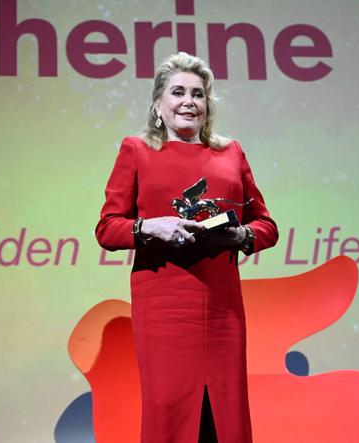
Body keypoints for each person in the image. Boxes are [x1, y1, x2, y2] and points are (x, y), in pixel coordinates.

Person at [95, 52, 278, 443]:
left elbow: (266, 226)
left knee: (224, 417)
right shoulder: (137, 150)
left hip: (222, 309)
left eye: (198, 94)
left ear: (207, 106)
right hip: (165, 309)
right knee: (171, 414)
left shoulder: (231, 152)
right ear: (159, 104)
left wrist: (240, 237)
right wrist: (151, 227)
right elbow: (107, 229)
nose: (189, 101)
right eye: (178, 92)